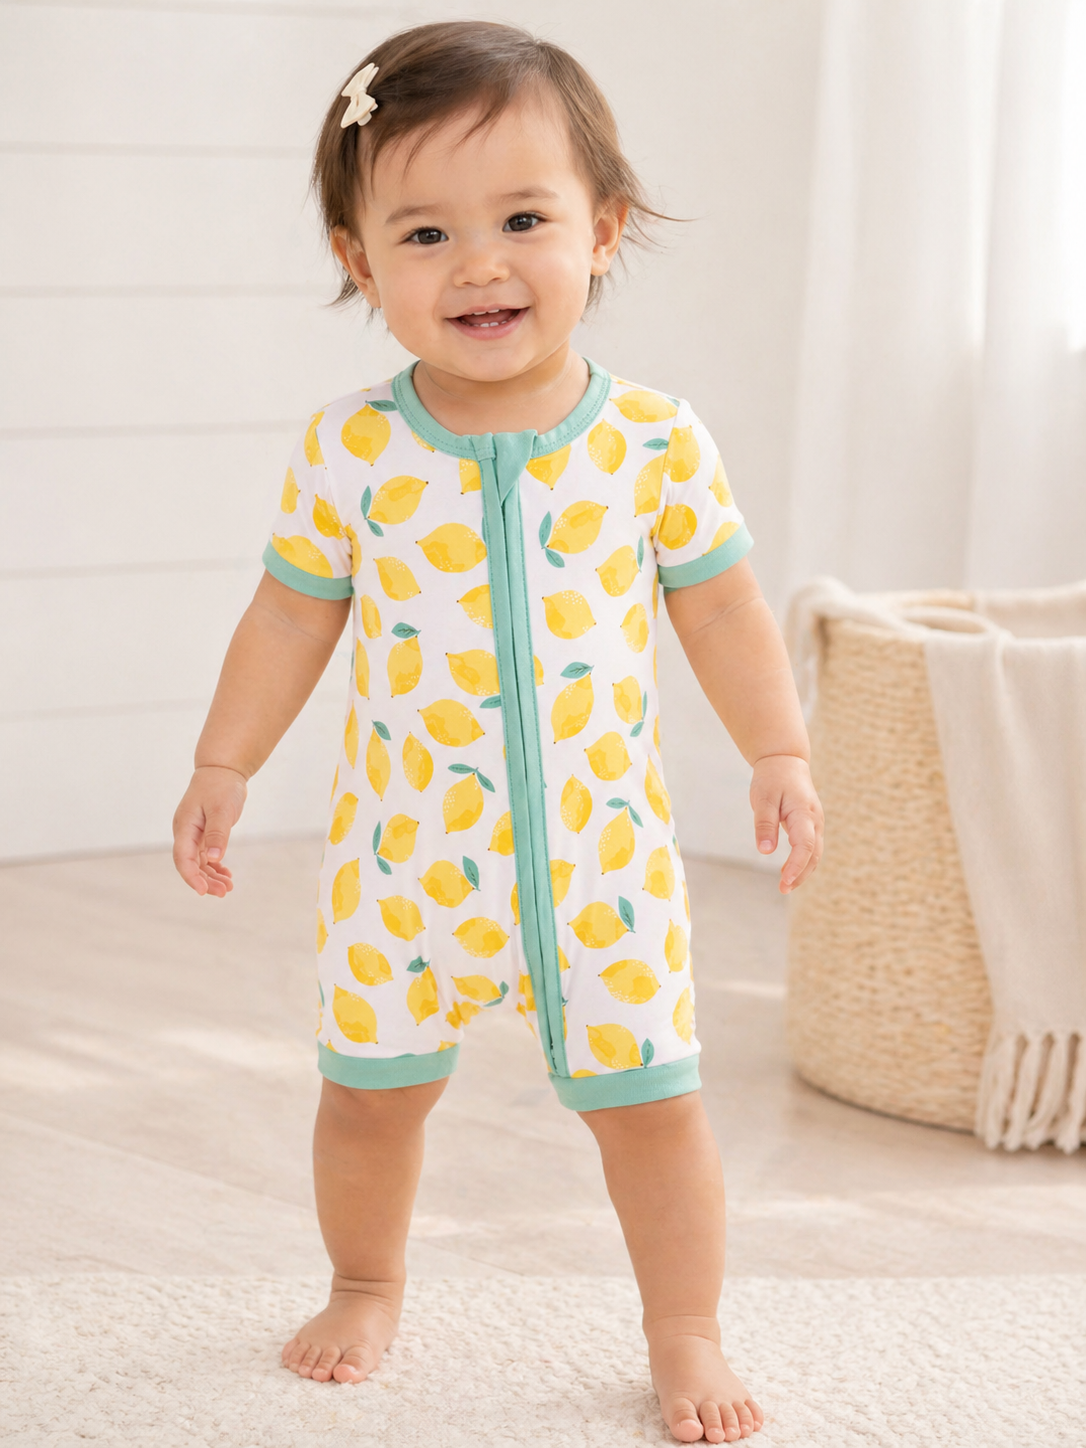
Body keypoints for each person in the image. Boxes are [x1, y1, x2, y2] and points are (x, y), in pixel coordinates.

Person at [172, 21, 823, 1444]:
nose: (477, 263)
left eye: (522, 218)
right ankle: (362, 1278)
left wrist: (778, 750)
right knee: (365, 1101)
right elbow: (289, 619)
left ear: (602, 230)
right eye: (422, 231)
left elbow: (718, 608)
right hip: (409, 866)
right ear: (360, 263)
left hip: (602, 868)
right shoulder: (352, 450)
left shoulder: (648, 440)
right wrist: (224, 762)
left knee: (653, 1110)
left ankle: (684, 1326)